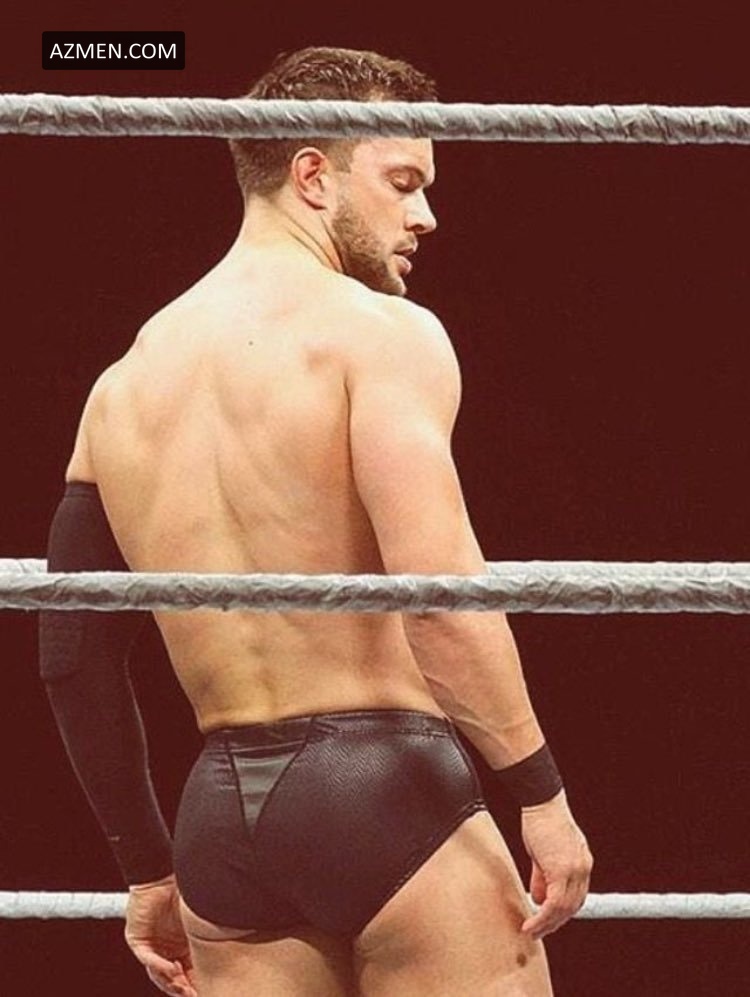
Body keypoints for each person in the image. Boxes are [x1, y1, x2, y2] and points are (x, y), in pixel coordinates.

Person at [39, 46, 592, 997]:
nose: (426, 214)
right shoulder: (379, 335)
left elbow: (70, 654)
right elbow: (439, 596)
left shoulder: (120, 387)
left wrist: (147, 865)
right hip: (389, 789)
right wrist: (542, 796)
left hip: (221, 825)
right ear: (312, 175)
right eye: (403, 181)